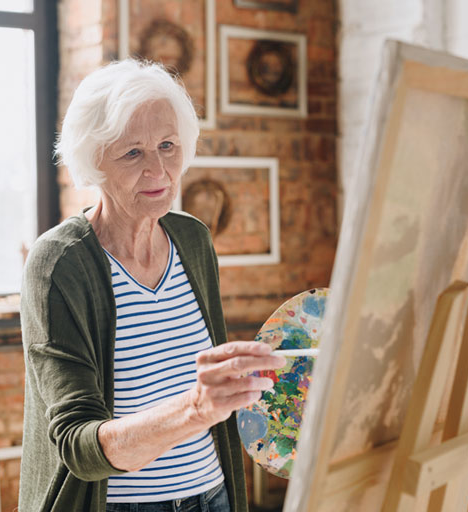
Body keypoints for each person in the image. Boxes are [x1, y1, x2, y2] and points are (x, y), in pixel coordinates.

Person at [18, 59, 286, 512]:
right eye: (133, 153)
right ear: (93, 160)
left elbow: (203, 380)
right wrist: (196, 409)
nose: (159, 171)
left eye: (167, 145)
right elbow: (79, 447)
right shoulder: (60, 263)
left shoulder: (192, 239)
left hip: (212, 496)